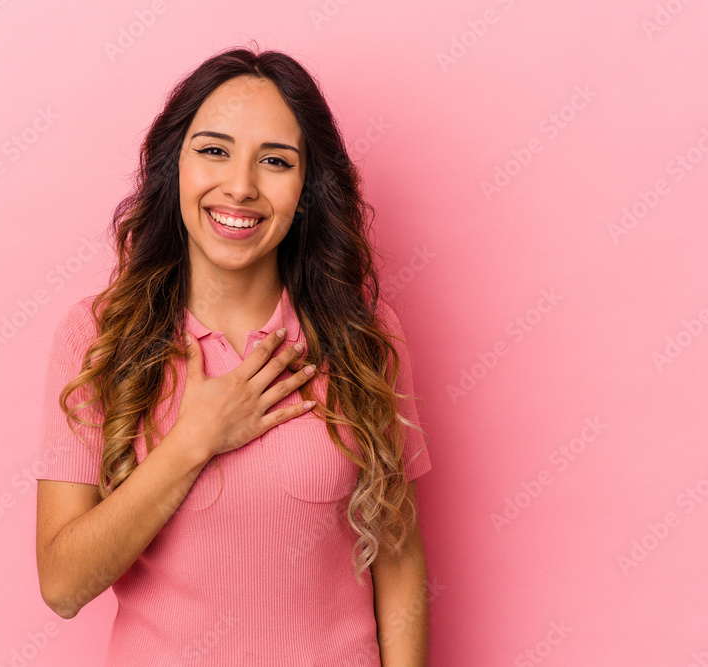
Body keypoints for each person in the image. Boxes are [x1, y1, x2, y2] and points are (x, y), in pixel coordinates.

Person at [34, 44, 432, 666]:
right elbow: (62, 585)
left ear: (306, 188)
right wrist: (196, 438)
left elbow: (399, 554)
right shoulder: (97, 337)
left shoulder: (364, 335)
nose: (240, 187)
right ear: (175, 167)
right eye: (214, 150)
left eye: (275, 161)